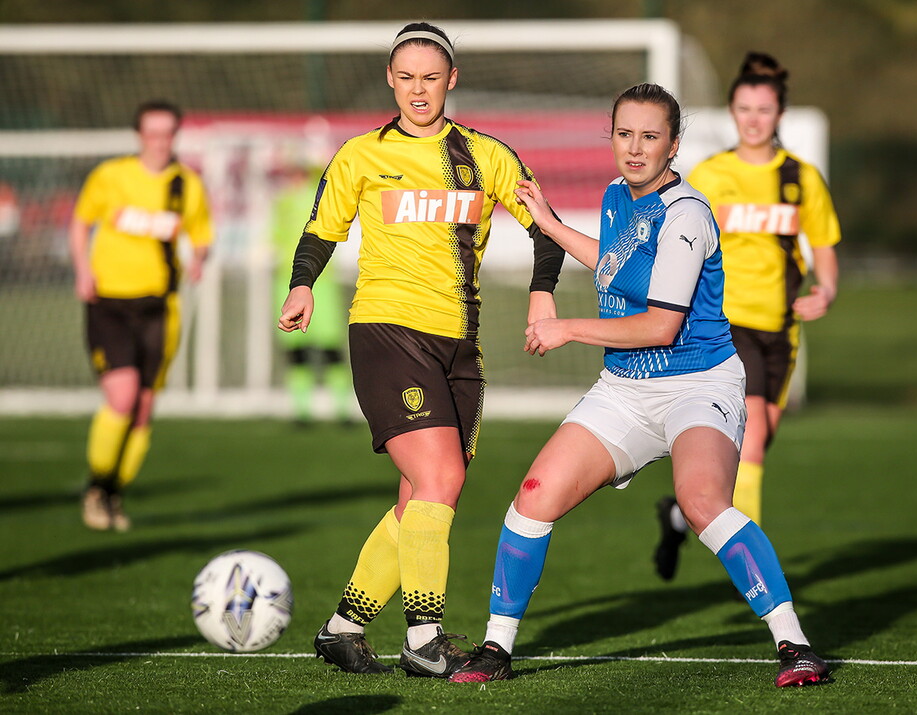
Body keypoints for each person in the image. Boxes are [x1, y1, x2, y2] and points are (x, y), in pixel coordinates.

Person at [448, 83, 828, 688]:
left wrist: (566, 326)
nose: (634, 147)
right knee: (534, 495)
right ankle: (497, 647)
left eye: (650, 136)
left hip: (697, 386)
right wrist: (549, 222)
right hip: (625, 388)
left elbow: (661, 323)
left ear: (673, 145)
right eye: (624, 133)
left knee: (703, 503)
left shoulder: (686, 215)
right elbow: (613, 262)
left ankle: (795, 644)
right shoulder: (614, 196)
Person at [277, 22, 564, 678]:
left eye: (429, 78)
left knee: (423, 499)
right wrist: (302, 286)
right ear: (390, 79)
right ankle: (425, 638)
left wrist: (542, 293)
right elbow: (321, 231)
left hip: (460, 346)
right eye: (405, 77)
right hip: (386, 332)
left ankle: (344, 627)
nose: (417, 90)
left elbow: (543, 227)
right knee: (442, 478)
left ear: (450, 80)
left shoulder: (487, 156)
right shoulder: (358, 156)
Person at [653, 52, 841, 581]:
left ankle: (678, 513)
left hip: (781, 329)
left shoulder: (800, 179)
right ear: (732, 113)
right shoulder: (710, 176)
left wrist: (826, 289)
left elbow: (823, 246)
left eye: (763, 108)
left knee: (745, 451)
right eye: (744, 108)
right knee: (751, 438)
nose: (753, 118)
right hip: (723, 325)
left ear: (779, 112)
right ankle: (750, 574)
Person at [70, 100, 213, 531]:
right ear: (139, 136)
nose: (159, 142)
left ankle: (114, 494)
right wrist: (82, 270)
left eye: (167, 133)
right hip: (109, 303)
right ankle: (96, 487)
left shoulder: (185, 184)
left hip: (159, 307)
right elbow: (81, 222)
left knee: (144, 408)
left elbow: (201, 233)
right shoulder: (110, 176)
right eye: (152, 133)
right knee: (123, 396)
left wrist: (199, 257)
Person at [271, 163, 353, 425]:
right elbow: (274, 237)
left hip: (322, 282)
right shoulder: (282, 202)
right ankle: (302, 412)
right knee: (298, 351)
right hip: (287, 281)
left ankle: (342, 410)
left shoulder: (316, 196)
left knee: (330, 349)